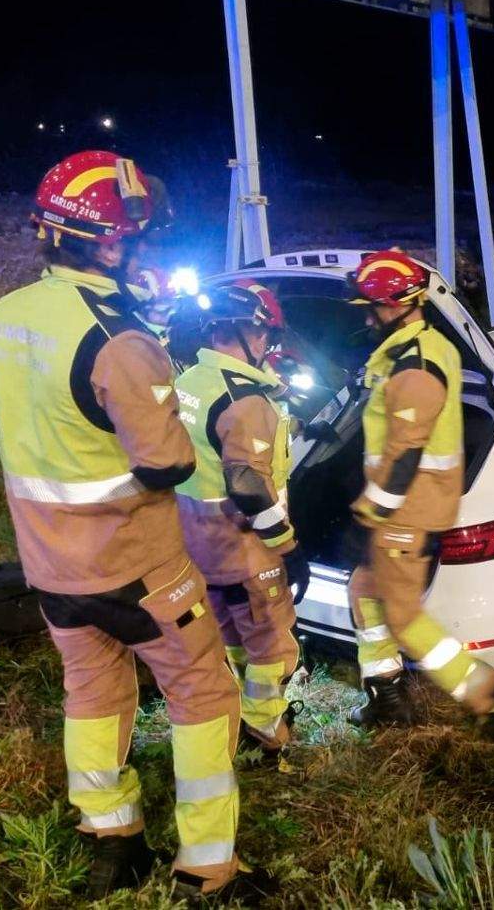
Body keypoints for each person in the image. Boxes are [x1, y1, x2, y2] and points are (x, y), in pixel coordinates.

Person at [0, 151, 268, 902]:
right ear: (107, 244)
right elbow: (166, 462)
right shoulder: (121, 338)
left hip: (49, 567)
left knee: (92, 689)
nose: (146, 248)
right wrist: (154, 359)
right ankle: (206, 864)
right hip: (139, 567)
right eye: (139, 237)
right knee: (203, 693)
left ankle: (111, 834)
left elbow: (6, 416)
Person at [342, 249, 494, 736]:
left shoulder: (415, 368)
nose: (367, 316)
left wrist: (369, 514)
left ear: (403, 303)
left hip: (405, 511)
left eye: (374, 307)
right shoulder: (418, 347)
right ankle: (388, 698)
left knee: (403, 617)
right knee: (365, 592)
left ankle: (489, 696)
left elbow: (405, 455)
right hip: (404, 508)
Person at [173, 283, 309, 757]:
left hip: (197, 541)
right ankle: (266, 729)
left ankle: (238, 701)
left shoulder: (189, 380)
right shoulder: (246, 403)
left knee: (232, 629)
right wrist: (287, 547)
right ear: (245, 329)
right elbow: (249, 484)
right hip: (246, 546)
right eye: (263, 332)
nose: (268, 343)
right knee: (273, 643)